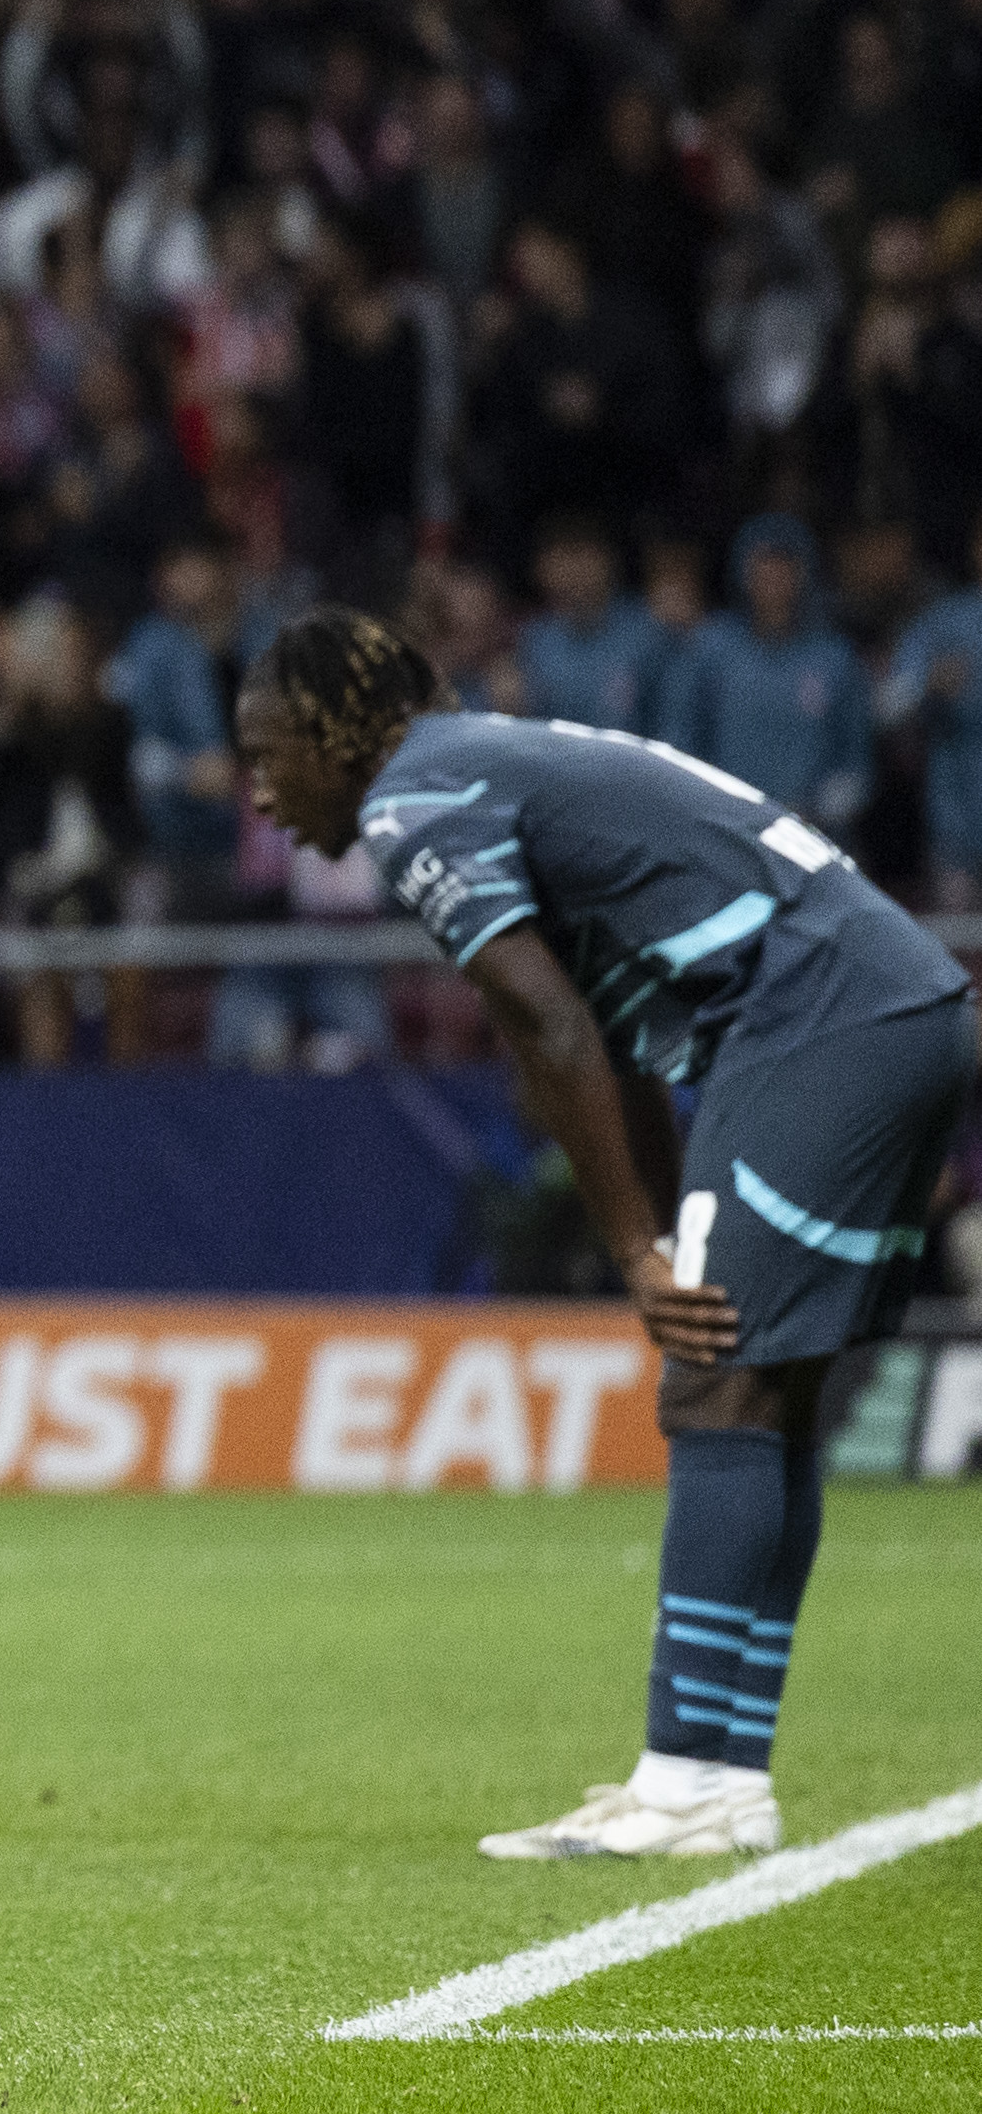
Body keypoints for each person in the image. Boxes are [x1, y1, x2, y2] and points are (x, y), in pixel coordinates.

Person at [238, 610, 979, 1862]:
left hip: (821, 1020)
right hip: (887, 1004)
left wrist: (638, 1249)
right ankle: (722, 1774)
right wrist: (677, 1217)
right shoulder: (486, 758)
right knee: (768, 1388)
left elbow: (546, 1029)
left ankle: (686, 1780)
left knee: (719, 1383)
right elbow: (606, 1030)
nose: (257, 793)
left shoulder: (411, 797)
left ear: (330, 735)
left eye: (268, 756)